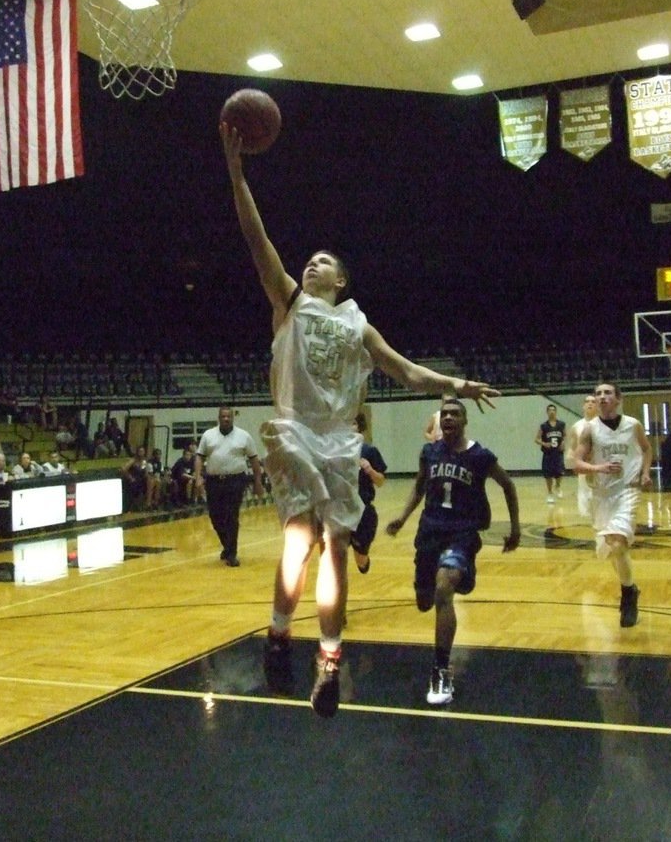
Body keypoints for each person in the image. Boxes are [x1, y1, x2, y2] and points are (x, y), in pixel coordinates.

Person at [222, 121, 501, 717]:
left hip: (339, 444)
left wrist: (456, 382)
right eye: (309, 261)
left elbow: (406, 373)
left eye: (322, 262)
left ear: (341, 280)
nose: (311, 265)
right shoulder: (288, 301)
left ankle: (328, 660)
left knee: (338, 547)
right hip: (296, 432)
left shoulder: (357, 324)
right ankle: (278, 633)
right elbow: (255, 237)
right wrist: (238, 171)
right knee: (299, 541)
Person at [385, 398, 521, 705]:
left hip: (462, 534)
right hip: (429, 532)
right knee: (425, 600)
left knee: (444, 589)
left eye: (455, 414)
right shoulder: (429, 453)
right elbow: (419, 487)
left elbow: (509, 485)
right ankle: (446, 583)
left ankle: (441, 671)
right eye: (444, 414)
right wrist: (403, 517)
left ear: (465, 420)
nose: (448, 417)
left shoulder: (480, 456)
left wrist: (515, 529)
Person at [572, 382, 653, 629]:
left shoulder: (633, 425)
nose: (602, 396)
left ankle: (628, 596)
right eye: (598, 394)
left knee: (618, 543)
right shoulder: (589, 430)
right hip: (602, 494)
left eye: (607, 393)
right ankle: (631, 586)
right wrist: (599, 468)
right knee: (611, 550)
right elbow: (576, 463)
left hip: (627, 490)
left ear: (618, 399)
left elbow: (647, 449)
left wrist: (646, 472)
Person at [194, 407, 264, 568]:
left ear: (233, 418)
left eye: (229, 416)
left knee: (232, 516)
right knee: (215, 516)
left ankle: (231, 554)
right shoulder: (208, 435)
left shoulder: (244, 436)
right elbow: (199, 457)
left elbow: (254, 460)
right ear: (218, 418)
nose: (226, 419)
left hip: (236, 481)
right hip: (214, 481)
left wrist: (258, 482)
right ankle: (227, 545)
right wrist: (198, 477)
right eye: (223, 416)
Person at [351, 411, 387, 575]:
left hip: (363, 510)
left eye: (353, 423)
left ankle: (361, 554)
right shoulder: (335, 452)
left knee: (361, 561)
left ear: (359, 426)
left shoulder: (369, 451)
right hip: (340, 509)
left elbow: (380, 481)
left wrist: (370, 470)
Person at [565, 395, 599, 518]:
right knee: (585, 496)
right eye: (587, 402)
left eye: (593, 402)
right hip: (584, 467)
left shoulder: (604, 425)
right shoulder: (577, 426)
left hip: (600, 466)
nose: (590, 404)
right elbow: (572, 447)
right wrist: (571, 459)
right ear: (583, 406)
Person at [535, 403, 566, 504]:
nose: (552, 412)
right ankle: (550, 493)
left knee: (560, 472)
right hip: (548, 454)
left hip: (558, 453)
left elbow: (565, 436)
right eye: (550, 410)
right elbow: (536, 439)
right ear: (547, 412)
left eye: (553, 410)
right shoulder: (544, 426)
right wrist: (544, 443)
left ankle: (558, 487)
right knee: (548, 475)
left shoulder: (561, 424)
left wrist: (563, 443)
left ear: (556, 412)